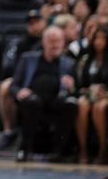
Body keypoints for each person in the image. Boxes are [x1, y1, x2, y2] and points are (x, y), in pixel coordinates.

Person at [11, 25, 78, 162]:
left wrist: (72, 87)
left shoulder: (68, 63)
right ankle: (25, 149)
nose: (55, 45)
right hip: (34, 98)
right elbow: (14, 85)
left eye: (58, 41)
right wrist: (20, 92)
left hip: (56, 99)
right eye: (52, 41)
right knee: (32, 102)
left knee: (70, 104)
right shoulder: (28, 59)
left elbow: (75, 89)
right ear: (44, 42)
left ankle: (58, 151)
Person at [0, 9, 47, 149]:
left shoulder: (49, 40)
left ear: (44, 23)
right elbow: (11, 68)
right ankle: (9, 130)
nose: (34, 25)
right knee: (6, 87)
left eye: (37, 22)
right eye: (30, 23)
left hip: (44, 80)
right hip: (23, 80)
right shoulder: (19, 44)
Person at [74, 25, 108, 163]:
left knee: (99, 108)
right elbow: (80, 83)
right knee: (81, 104)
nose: (98, 42)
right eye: (96, 38)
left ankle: (102, 148)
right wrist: (86, 90)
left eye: (102, 38)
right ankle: (83, 149)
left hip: (105, 95)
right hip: (89, 94)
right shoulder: (86, 58)